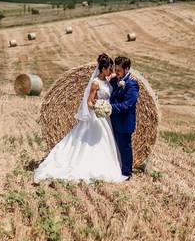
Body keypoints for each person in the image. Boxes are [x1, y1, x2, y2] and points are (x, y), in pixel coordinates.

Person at [33, 53, 127, 183]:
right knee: (95, 142)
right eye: (109, 68)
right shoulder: (95, 83)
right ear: (102, 68)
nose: (111, 71)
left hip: (106, 118)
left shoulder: (107, 80)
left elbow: (121, 75)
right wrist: (98, 107)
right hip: (98, 117)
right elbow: (89, 102)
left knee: (107, 142)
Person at [108, 56, 139, 179]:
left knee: (125, 148)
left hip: (124, 122)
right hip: (112, 121)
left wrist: (110, 107)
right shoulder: (114, 81)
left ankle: (127, 173)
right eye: (115, 69)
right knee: (113, 147)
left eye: (119, 70)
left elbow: (127, 105)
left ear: (127, 69)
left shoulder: (132, 85)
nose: (116, 72)